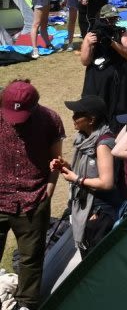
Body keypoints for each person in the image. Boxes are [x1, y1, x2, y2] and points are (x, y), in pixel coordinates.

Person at [0, 80, 64, 310]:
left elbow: (56, 159)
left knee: (30, 258)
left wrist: (49, 189)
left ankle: (26, 303)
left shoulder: (50, 119)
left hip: (34, 199)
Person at [51, 95, 119, 257]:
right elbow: (88, 170)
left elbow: (107, 182)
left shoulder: (103, 144)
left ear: (91, 119)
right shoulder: (84, 139)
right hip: (88, 205)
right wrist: (66, 167)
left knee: (95, 258)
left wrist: (77, 179)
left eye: (77, 114)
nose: (73, 117)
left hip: (100, 211)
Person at [80, 4, 127, 127]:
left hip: (119, 76)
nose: (112, 22)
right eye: (109, 19)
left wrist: (112, 43)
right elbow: (85, 61)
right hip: (96, 77)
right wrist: (88, 43)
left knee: (119, 106)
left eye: (114, 18)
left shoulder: (121, 32)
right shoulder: (92, 35)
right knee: (94, 107)